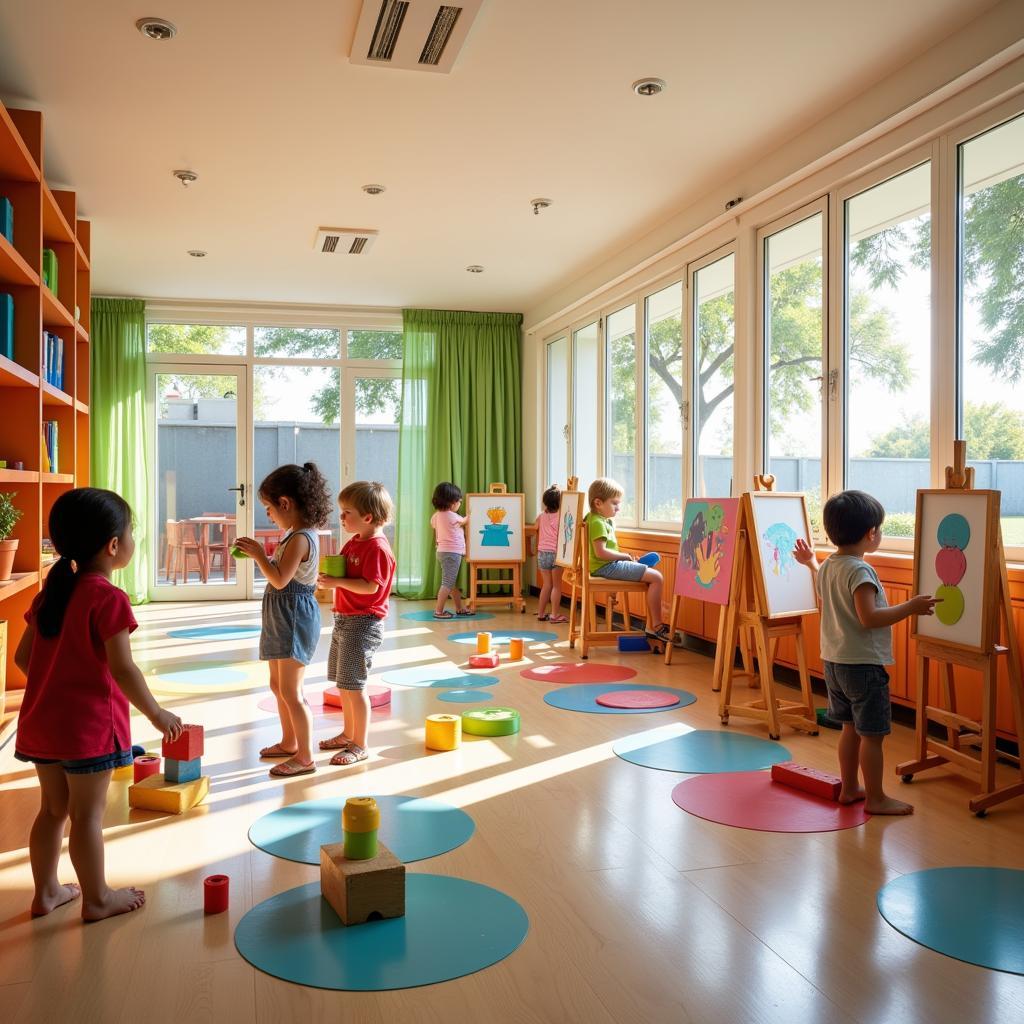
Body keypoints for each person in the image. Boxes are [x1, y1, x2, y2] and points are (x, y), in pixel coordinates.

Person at [14, 487, 183, 921]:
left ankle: (47, 891)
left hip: (41, 727)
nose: (132, 540)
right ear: (114, 546)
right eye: (131, 533)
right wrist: (158, 714)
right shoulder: (108, 598)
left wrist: (56, 684)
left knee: (51, 810)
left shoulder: (49, 595)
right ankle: (96, 899)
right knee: (86, 816)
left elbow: (22, 658)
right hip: (88, 731)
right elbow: (123, 669)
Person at [793, 489, 937, 815]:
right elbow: (869, 617)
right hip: (863, 666)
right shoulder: (860, 571)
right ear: (871, 533)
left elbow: (822, 581)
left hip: (834, 662)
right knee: (872, 736)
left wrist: (810, 562)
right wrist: (911, 607)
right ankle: (876, 798)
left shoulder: (830, 565)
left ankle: (849, 789)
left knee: (848, 729)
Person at [234, 462, 332, 778]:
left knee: (292, 692)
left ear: (286, 503)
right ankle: (290, 742)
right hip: (282, 616)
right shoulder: (293, 533)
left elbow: (279, 579)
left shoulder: (302, 537)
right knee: (277, 685)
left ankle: (305, 757)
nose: (268, 514)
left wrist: (259, 555)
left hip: (294, 618)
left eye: (269, 507)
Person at [317, 481, 397, 766]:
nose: (341, 517)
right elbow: (347, 566)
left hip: (363, 623)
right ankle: (348, 734)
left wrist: (337, 582)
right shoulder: (356, 540)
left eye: (346, 512)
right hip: (345, 620)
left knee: (355, 686)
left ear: (367, 517)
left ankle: (360, 744)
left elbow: (371, 588)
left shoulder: (377, 548)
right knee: (344, 684)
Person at [584, 477, 673, 643]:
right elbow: (601, 553)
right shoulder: (598, 523)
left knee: (650, 575)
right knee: (657, 578)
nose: (618, 508)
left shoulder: (592, 518)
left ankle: (637, 567)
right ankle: (656, 626)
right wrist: (624, 556)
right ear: (598, 503)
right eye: (614, 503)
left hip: (603, 566)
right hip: (606, 567)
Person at [429, 481, 473, 619]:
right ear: (452, 503)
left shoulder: (436, 516)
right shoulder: (453, 516)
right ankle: (438, 611)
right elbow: (466, 521)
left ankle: (459, 608)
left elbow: (434, 527)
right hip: (452, 553)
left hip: (442, 551)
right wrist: (472, 513)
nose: (460, 503)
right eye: (459, 501)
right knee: (447, 583)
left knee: (451, 582)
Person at [535, 484, 567, 622]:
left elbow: (535, 527)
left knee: (546, 585)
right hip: (555, 554)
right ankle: (554, 615)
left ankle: (541, 614)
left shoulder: (541, 516)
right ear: (560, 502)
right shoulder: (561, 516)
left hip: (542, 553)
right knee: (556, 586)